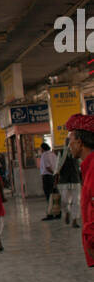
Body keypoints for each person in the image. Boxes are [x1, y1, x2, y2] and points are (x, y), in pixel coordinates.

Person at [66, 114, 94, 267]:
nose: (69, 145)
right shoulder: (87, 167)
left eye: (70, 140)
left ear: (80, 142)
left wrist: (92, 241)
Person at [54, 141, 81, 228]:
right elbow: (57, 166)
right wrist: (55, 178)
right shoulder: (61, 153)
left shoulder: (77, 152)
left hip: (75, 179)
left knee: (76, 202)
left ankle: (74, 220)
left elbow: (81, 164)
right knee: (64, 201)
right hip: (64, 181)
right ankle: (67, 212)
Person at [39, 141, 58, 217]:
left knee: (49, 196)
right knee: (55, 195)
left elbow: (47, 167)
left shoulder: (44, 155)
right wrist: (55, 175)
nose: (40, 150)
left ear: (43, 149)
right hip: (53, 176)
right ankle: (57, 213)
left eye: (40, 149)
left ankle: (50, 214)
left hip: (47, 177)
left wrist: (52, 173)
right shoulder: (53, 154)